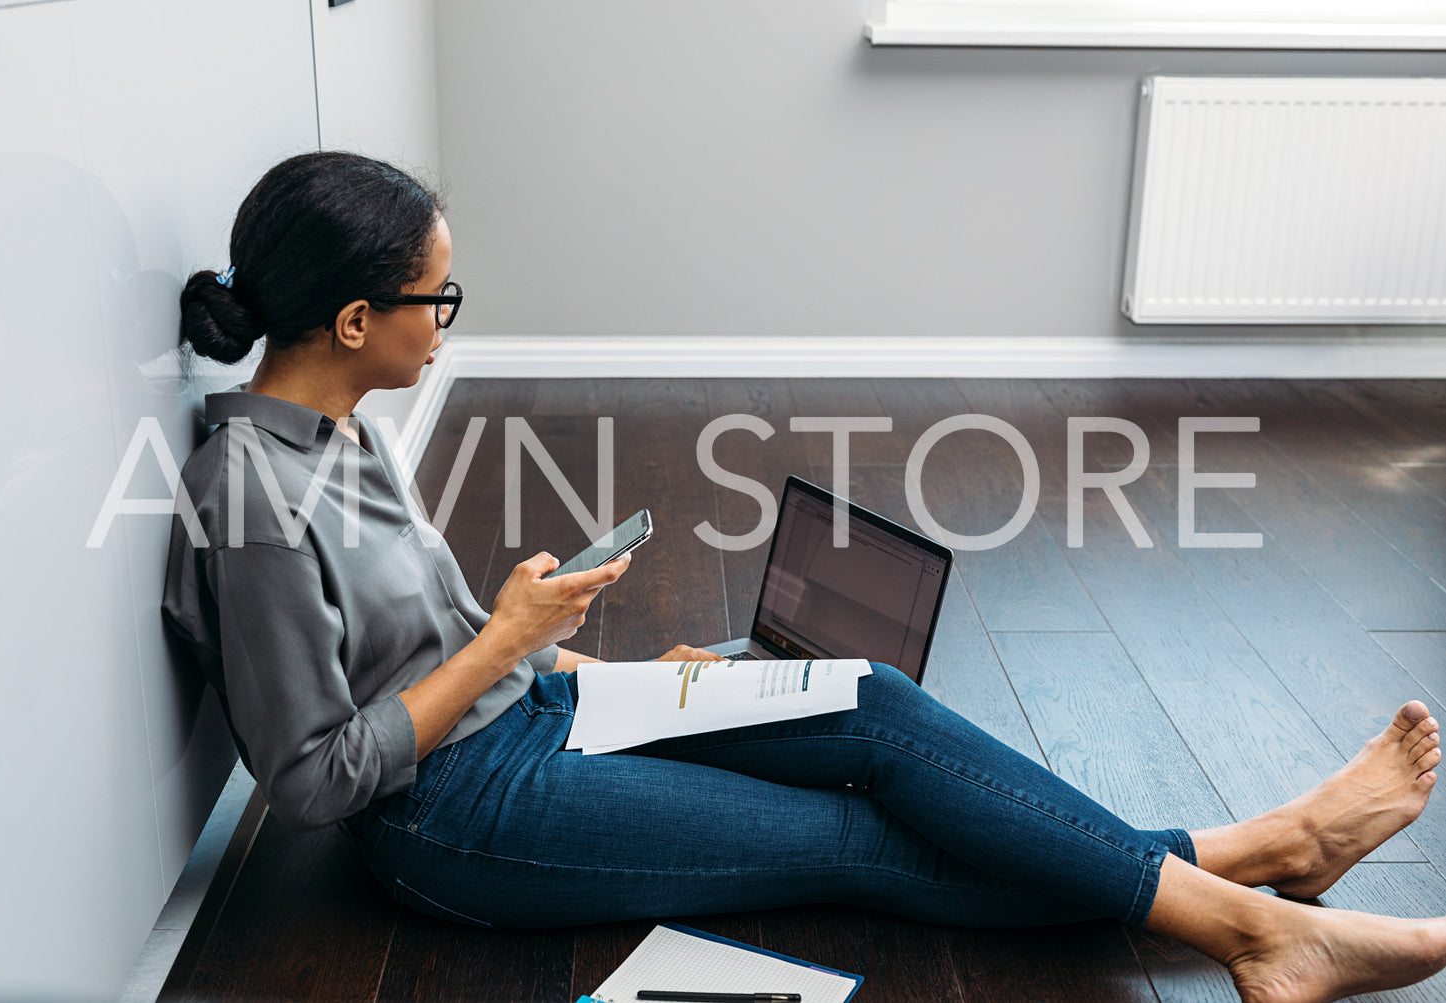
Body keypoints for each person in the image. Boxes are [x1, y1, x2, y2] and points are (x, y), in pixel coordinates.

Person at [163, 151, 1446, 1003]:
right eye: (435, 300)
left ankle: (1256, 854)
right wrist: (506, 647)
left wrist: (587, 666)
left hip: (539, 713)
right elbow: (311, 780)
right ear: (352, 323)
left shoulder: (331, 429)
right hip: (454, 818)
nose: (447, 323)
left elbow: (442, 634)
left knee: (868, 700)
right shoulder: (251, 498)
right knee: (853, 835)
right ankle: (1253, 919)